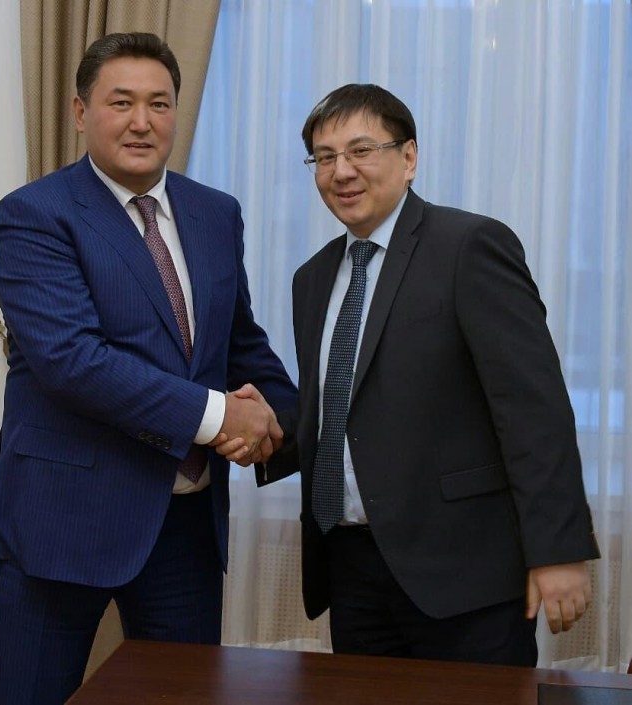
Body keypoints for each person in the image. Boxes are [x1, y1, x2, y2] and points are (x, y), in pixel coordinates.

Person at [221, 83, 599, 666]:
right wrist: (272, 431)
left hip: (463, 571)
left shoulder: (469, 246)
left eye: (361, 150)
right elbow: (342, 410)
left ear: (409, 157)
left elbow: (533, 408)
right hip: (352, 569)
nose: (341, 171)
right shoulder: (312, 278)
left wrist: (559, 549)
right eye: (324, 157)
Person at [0, 32, 296, 704]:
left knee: (184, 696)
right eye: (121, 102)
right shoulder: (33, 215)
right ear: (79, 112)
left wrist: (276, 419)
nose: (142, 121)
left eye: (159, 103)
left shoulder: (215, 212)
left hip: (185, 524)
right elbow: (72, 361)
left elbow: (237, 342)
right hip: (61, 519)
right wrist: (220, 417)